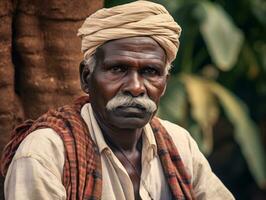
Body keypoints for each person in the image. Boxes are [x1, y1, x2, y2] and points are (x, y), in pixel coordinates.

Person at [1, 1, 234, 200]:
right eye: (118, 69)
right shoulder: (46, 153)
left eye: (150, 71)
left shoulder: (179, 143)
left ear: (164, 83)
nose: (135, 87)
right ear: (86, 78)